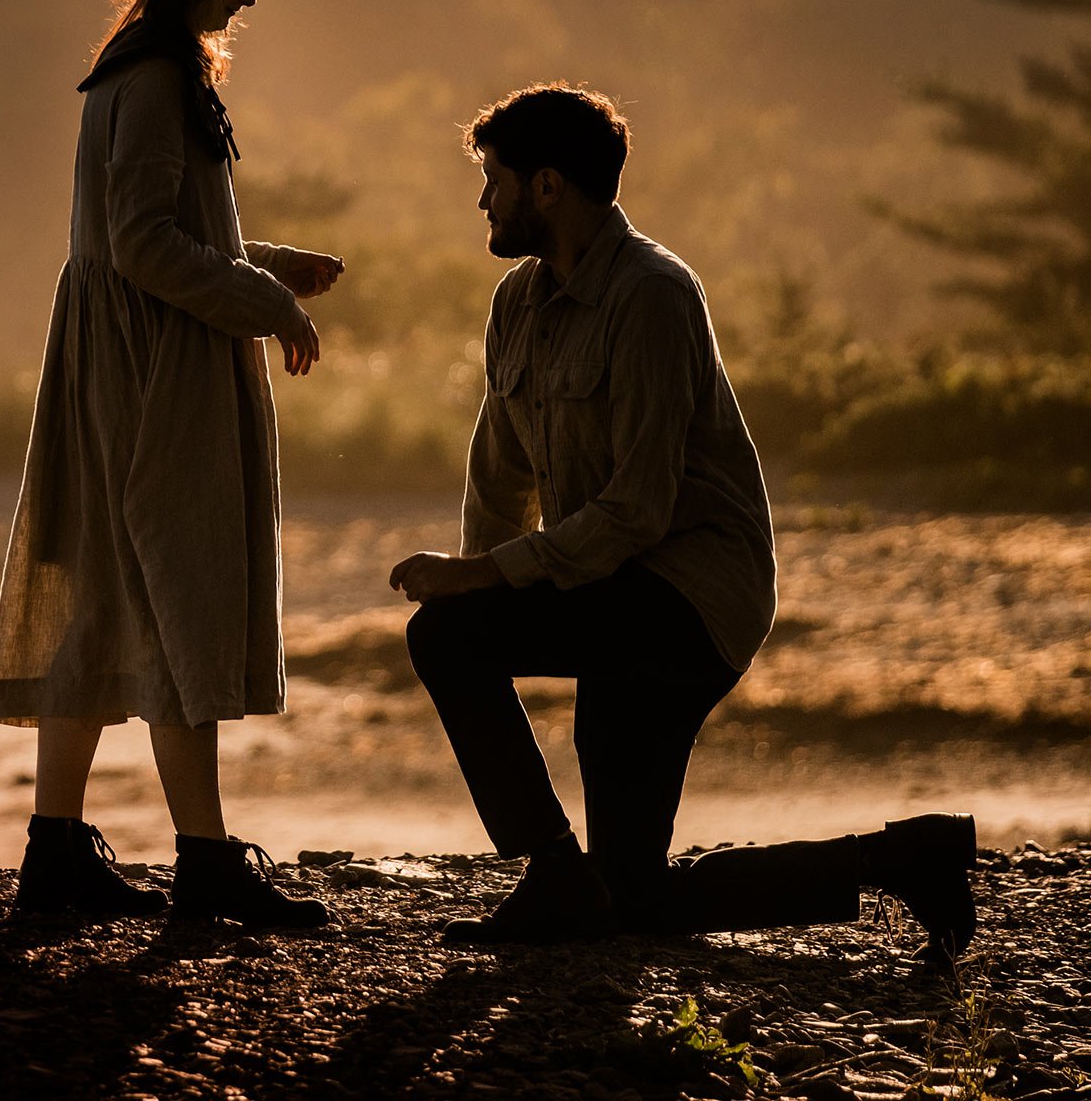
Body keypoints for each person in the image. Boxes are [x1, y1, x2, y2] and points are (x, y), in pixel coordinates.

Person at [389, 84, 978, 952]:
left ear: (547, 187)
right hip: (607, 589)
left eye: (494, 178)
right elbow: (499, 480)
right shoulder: (515, 304)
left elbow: (638, 509)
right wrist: (487, 602)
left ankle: (553, 873)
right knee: (629, 901)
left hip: (688, 597)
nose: (484, 199)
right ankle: (904, 859)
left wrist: (478, 586)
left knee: (443, 635)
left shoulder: (654, 296)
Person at [0, 0, 344, 926]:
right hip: (154, 380)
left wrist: (265, 257)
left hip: (118, 366)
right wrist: (264, 299)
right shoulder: (152, 80)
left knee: (104, 594)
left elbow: (143, 227)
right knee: (179, 591)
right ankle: (208, 861)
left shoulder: (138, 71)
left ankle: (58, 850)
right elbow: (141, 244)